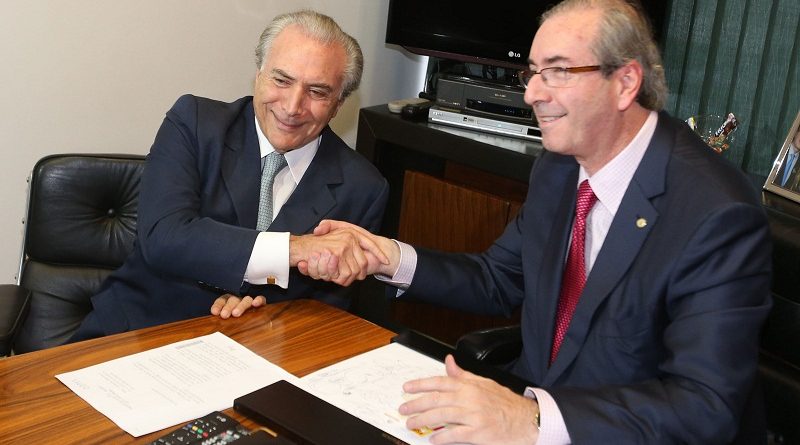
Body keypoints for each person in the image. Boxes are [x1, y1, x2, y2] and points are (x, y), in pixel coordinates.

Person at [298, 0, 773, 443]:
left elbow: (705, 405)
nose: (532, 93)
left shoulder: (717, 214)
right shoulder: (561, 166)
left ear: (626, 82)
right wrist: (391, 257)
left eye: (558, 72)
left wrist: (533, 419)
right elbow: (498, 279)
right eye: (534, 72)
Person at [70, 10, 388, 342]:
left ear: (338, 104)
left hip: (260, 357)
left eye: (318, 92)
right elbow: (163, 237)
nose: (293, 106)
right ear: (258, 75)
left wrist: (260, 316)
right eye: (281, 80)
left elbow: (328, 312)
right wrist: (295, 249)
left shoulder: (363, 187)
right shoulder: (194, 124)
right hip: (138, 332)